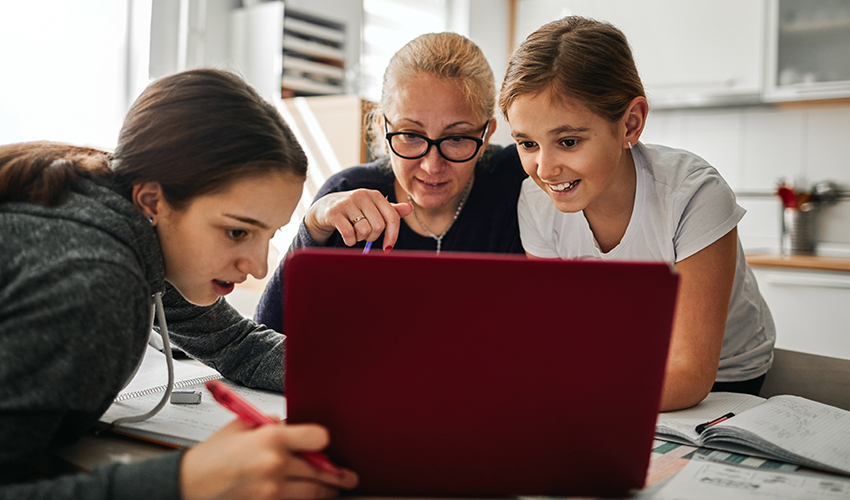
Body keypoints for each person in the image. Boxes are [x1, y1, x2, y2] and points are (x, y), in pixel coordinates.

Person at [0, 69, 358, 499]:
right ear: (153, 200)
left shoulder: (129, 221)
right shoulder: (95, 280)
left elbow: (234, 343)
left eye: (270, 235)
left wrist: (363, 376)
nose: (260, 267)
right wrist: (188, 480)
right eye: (237, 232)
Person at [498, 16, 775, 411]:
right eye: (527, 143)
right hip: (623, 364)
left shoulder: (694, 195)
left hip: (724, 378)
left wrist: (571, 396)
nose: (545, 168)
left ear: (630, 123)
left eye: (568, 140)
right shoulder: (537, 201)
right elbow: (558, 332)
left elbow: (690, 373)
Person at [255, 32, 527, 332]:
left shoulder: (517, 178)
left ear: (486, 134)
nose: (432, 166)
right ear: (384, 126)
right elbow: (266, 337)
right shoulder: (346, 198)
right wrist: (311, 232)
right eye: (411, 136)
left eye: (457, 138)